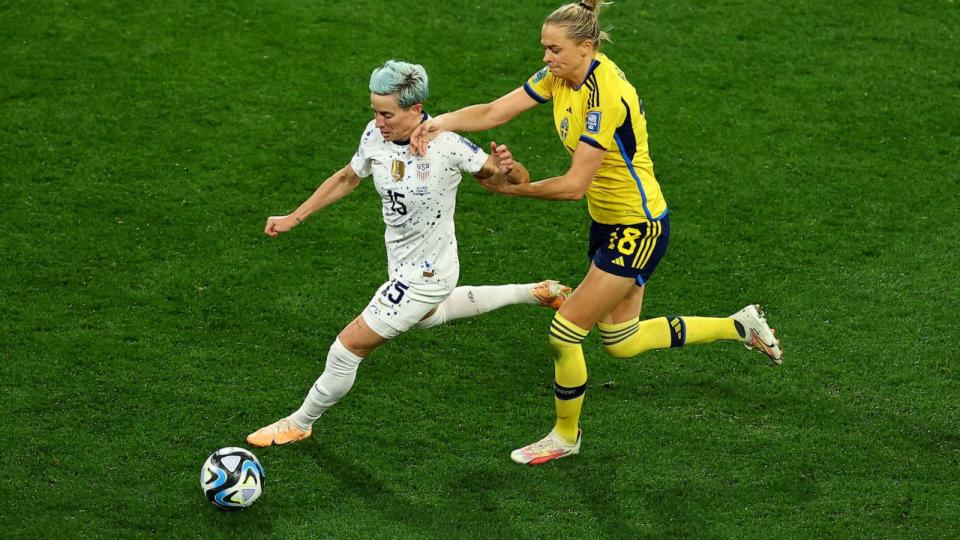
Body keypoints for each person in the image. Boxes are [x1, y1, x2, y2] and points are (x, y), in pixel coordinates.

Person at [410, 1, 782, 466]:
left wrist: (513, 192)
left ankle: (565, 436)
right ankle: (739, 326)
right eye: (544, 48)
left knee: (565, 333)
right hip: (609, 222)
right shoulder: (563, 74)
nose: (546, 58)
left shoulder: (603, 96)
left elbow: (572, 186)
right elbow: (495, 111)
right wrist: (436, 121)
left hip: (638, 227)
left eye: (554, 49)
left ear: (586, 47)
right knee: (622, 341)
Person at [247, 60, 571, 447]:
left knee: (348, 347)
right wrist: (294, 217)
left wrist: (510, 167)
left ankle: (300, 421)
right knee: (428, 319)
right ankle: (533, 292)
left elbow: (510, 180)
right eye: (375, 112)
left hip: (427, 274)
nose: (379, 122)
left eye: (387, 114)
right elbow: (348, 176)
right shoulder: (375, 136)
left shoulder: (448, 145)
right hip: (404, 262)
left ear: (416, 110)